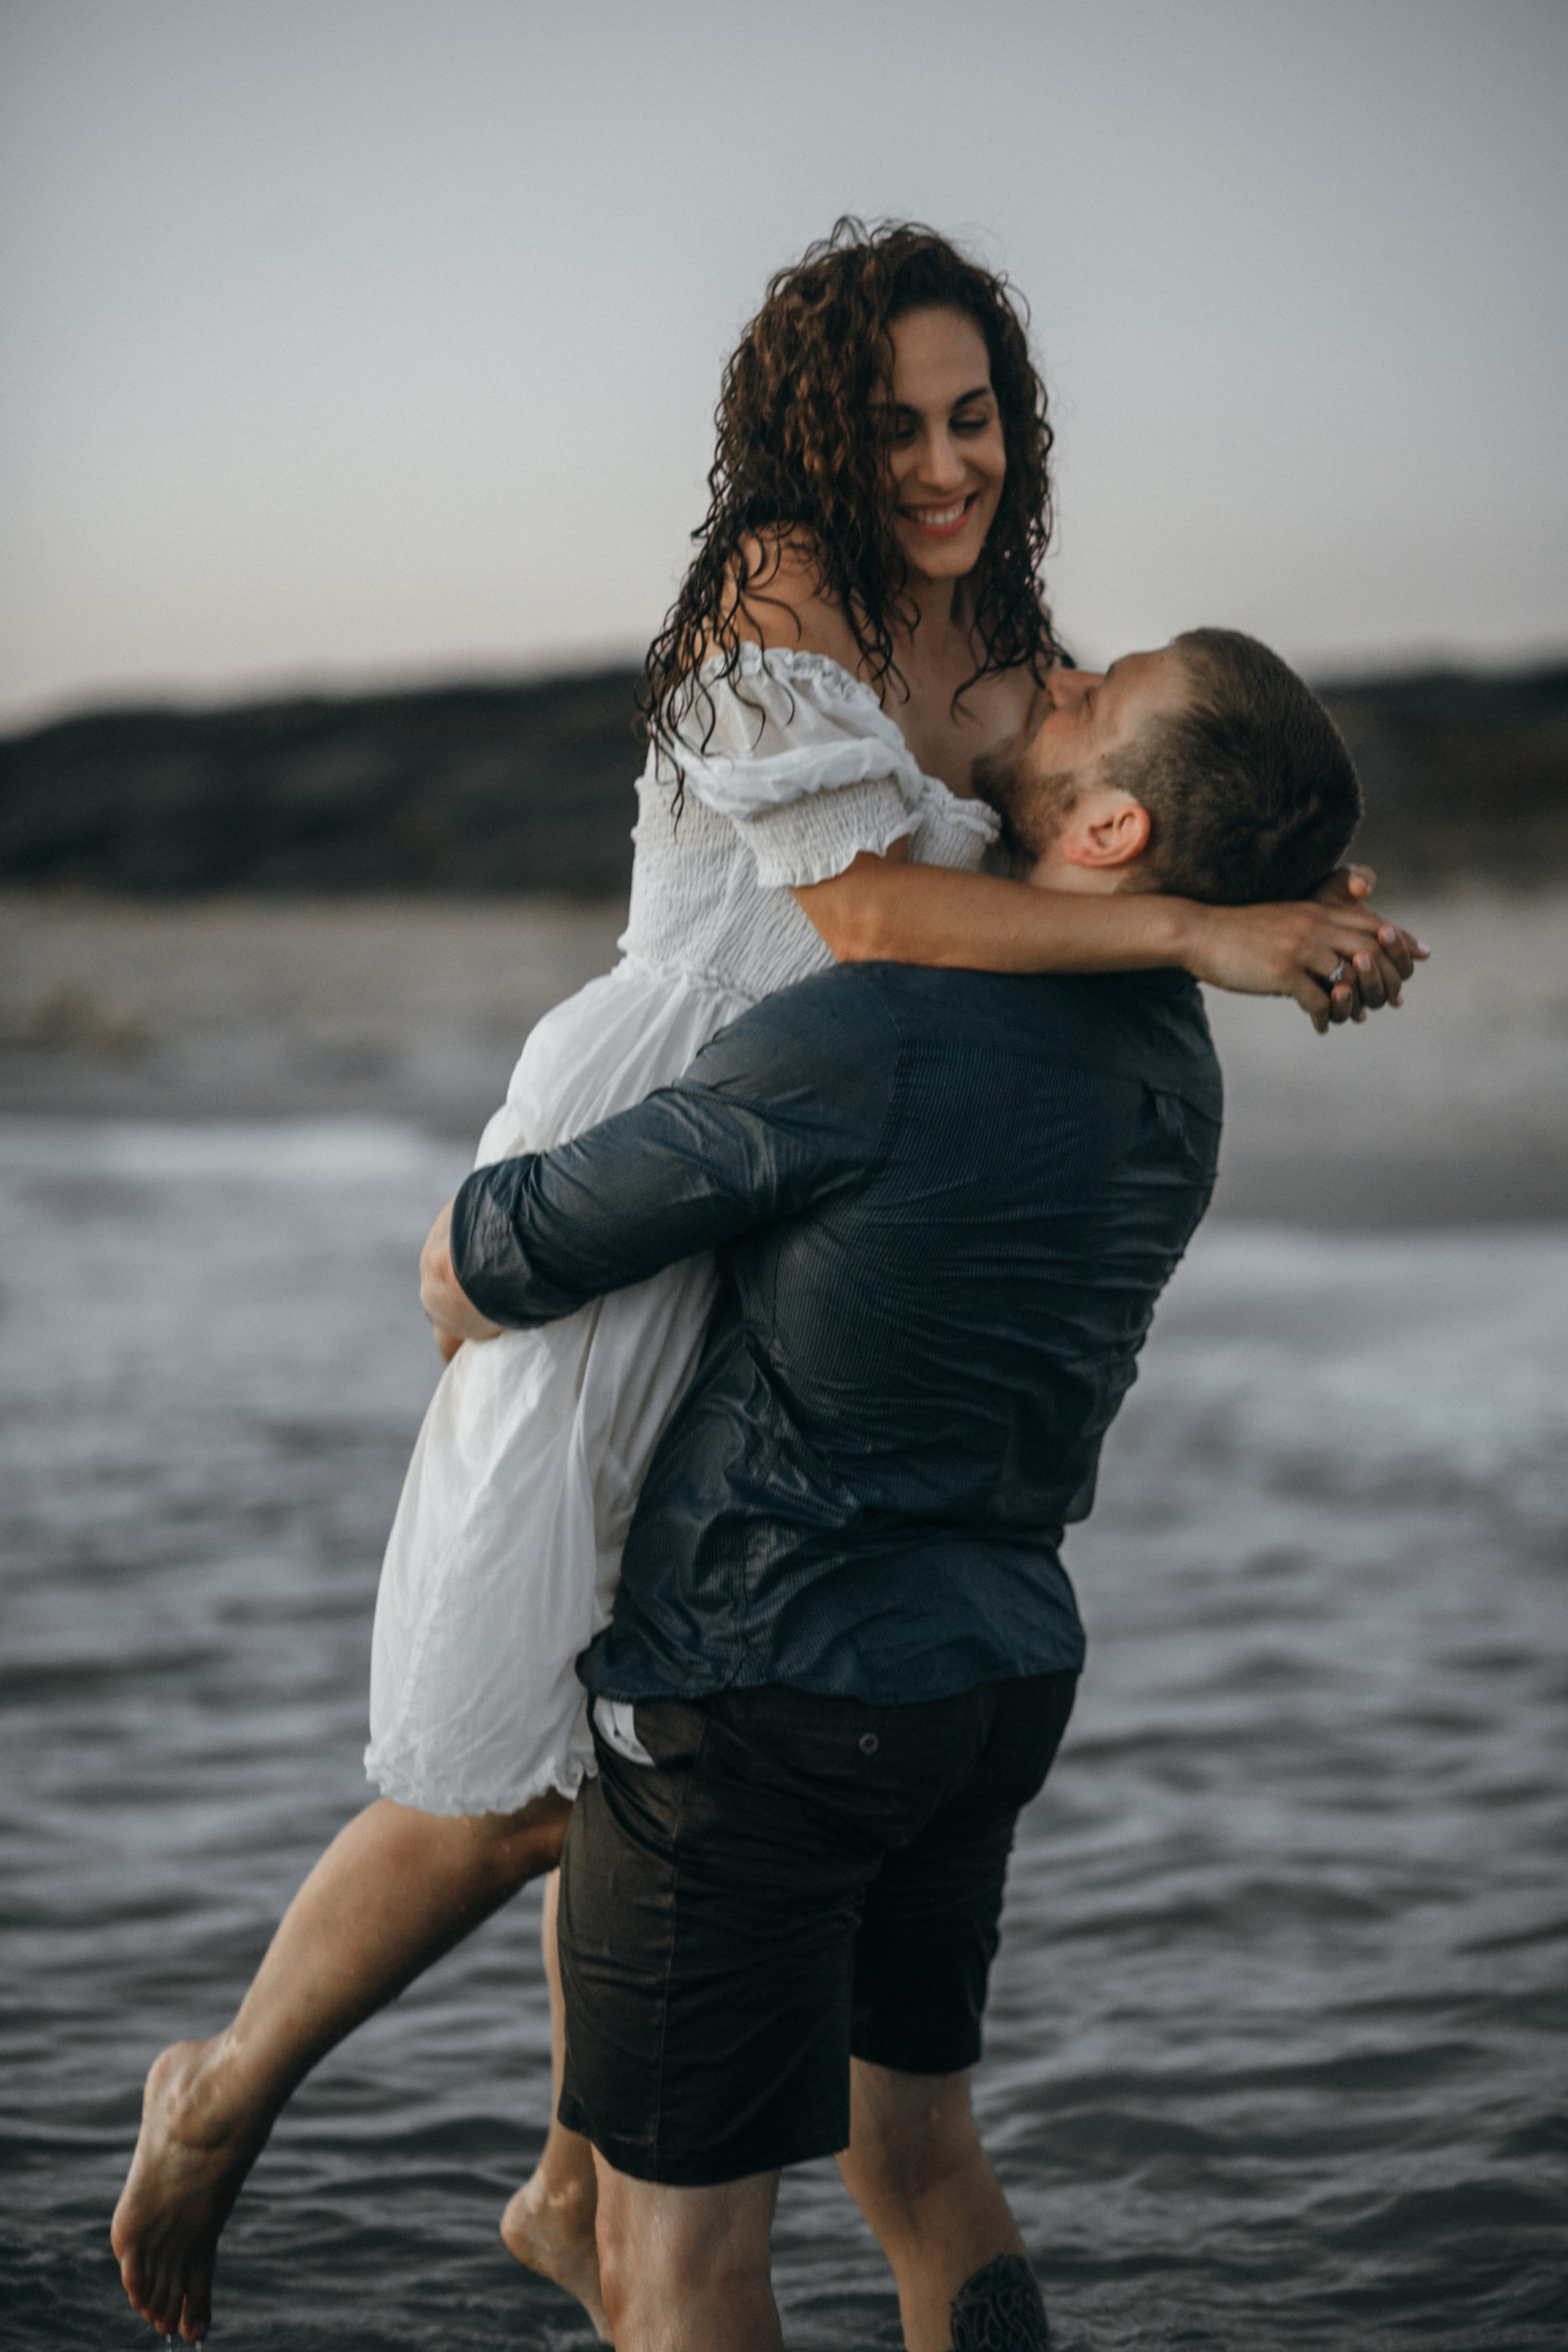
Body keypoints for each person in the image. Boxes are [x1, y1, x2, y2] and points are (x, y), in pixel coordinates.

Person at [111, 222, 1419, 2347]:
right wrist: (1202, 941)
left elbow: (1108, 815)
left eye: (972, 414)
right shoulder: (772, 599)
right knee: (525, 1769)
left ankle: (570, 2189)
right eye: (893, 420)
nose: (939, 463)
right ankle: (226, 2101)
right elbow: (887, 913)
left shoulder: (1008, 633)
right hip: (697, 1108)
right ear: (814, 428)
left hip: (837, 1176)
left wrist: (1270, 881)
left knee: (640, 1704)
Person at [423, 624, 1366, 2351]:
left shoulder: (884, 1031)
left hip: (760, 1692)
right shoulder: (1176, 1062)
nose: (1054, 675)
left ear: (1112, 833)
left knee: (677, 2261)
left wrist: (464, 1239)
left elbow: (535, 1238)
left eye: (1093, 700)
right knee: (929, 2174)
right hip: (992, 1682)